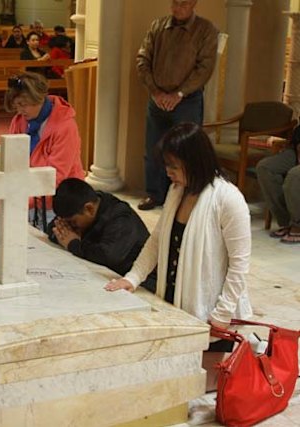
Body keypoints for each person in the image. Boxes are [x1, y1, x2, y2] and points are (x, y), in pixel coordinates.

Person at [105, 123, 253, 391]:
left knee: (191, 390)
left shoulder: (228, 199)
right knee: (158, 380)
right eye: (166, 165)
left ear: (194, 162)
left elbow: (240, 266)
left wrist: (222, 314)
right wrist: (133, 278)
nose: (168, 172)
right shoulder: (177, 190)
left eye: (173, 166)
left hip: (210, 312)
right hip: (174, 301)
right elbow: (158, 239)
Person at [136, 0, 218, 210]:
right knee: (153, 149)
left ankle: (186, 197)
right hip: (157, 99)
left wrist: (179, 93)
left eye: (182, 4)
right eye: (174, 3)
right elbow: (143, 59)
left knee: (186, 150)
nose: (177, 8)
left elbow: (205, 68)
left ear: (193, 4)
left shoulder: (206, 30)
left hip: (187, 101)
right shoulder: (158, 26)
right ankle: (155, 195)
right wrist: (155, 91)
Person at [5, 72, 85, 227]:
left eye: (23, 104)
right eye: (16, 105)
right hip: (29, 196)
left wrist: (18, 200)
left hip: (59, 201)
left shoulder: (65, 126)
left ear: (39, 99)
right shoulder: (19, 120)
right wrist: (4, 194)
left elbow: (56, 177)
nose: (20, 111)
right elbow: (12, 165)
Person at [49, 178, 151, 279]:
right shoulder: (80, 207)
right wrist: (63, 233)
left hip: (139, 281)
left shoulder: (120, 217)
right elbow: (53, 228)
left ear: (89, 209)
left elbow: (109, 257)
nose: (70, 227)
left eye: (73, 222)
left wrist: (74, 244)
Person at [256, 127, 300, 244]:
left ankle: (298, 225)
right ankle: (286, 220)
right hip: (295, 149)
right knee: (265, 167)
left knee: (295, 175)